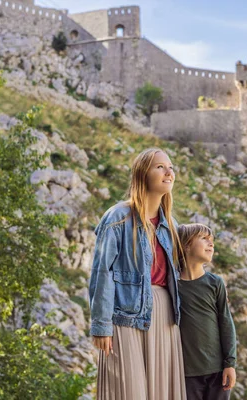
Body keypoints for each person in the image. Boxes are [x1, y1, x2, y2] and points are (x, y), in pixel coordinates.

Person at [89, 148, 186, 400]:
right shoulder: (117, 218)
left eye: (171, 167)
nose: (169, 172)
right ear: (143, 174)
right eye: (160, 167)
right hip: (125, 317)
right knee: (127, 392)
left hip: (164, 317)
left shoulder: (171, 226)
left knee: (160, 393)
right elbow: (102, 273)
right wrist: (101, 326)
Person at [177, 223, 237, 400]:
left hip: (217, 371)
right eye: (204, 239)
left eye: (212, 240)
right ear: (186, 245)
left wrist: (230, 364)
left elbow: (226, 323)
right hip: (186, 374)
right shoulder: (171, 285)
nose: (211, 244)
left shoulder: (215, 283)